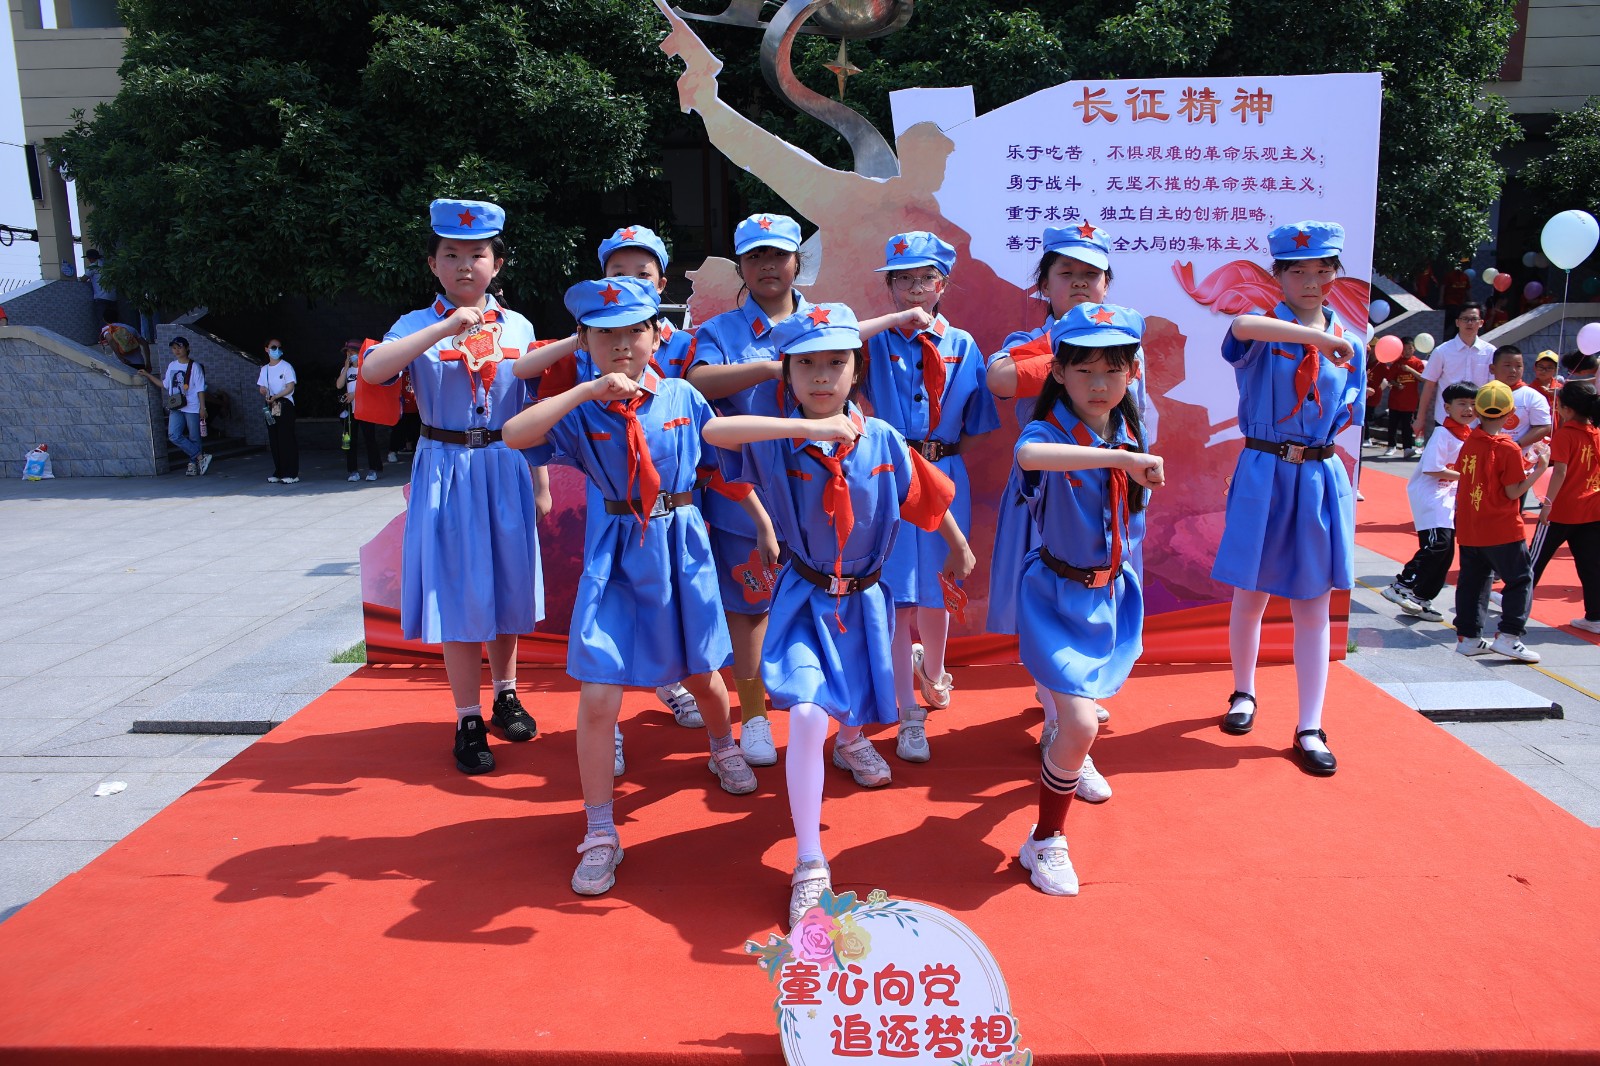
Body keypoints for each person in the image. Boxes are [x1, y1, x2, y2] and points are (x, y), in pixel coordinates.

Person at [701, 302, 974, 928]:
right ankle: (810, 860)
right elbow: (715, 435)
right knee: (804, 713)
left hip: (867, 602)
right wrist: (806, 427)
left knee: (850, 706)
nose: (821, 376)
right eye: (806, 365)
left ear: (857, 369)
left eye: (835, 362)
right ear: (787, 375)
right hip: (804, 598)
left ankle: (851, 742)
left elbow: (925, 499)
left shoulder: (883, 439)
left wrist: (958, 546)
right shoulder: (778, 438)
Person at [502, 276, 768, 895]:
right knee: (599, 696)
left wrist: (762, 523)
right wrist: (585, 389)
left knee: (703, 676)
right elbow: (515, 436)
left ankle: (723, 745)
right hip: (616, 559)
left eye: (633, 331)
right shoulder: (580, 407)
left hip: (682, 550)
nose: (621, 344)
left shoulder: (682, 395)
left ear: (655, 334)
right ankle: (600, 830)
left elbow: (721, 468)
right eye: (604, 334)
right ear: (585, 341)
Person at [684, 213, 928, 773]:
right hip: (748, 490)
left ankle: (848, 731)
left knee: (839, 609)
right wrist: (779, 366)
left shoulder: (825, 318)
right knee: (750, 606)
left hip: (826, 495)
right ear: (741, 267)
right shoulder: (723, 331)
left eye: (778, 255)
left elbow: (853, 353)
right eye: (755, 257)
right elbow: (698, 383)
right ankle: (754, 715)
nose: (768, 266)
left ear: (798, 261)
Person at [360, 198, 545, 775]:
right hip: (446, 468)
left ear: (498, 264)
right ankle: (467, 716)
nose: (465, 265)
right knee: (461, 593)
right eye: (452, 254)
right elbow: (373, 371)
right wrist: (445, 327)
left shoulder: (519, 327)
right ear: (433, 264)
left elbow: (531, 408)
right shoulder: (415, 324)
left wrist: (541, 481)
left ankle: (506, 695)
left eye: (478, 254)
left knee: (508, 585)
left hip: (505, 465)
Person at [513, 225, 709, 758]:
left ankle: (673, 683)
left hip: (673, 504)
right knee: (612, 605)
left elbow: (704, 427)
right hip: (614, 503)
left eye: (641, 274)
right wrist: (586, 350)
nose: (629, 282)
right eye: (617, 273)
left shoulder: (681, 349)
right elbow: (527, 399)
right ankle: (609, 724)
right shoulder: (588, 346)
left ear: (661, 285)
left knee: (675, 602)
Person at [1012, 303, 1163, 896]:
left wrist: (1128, 457)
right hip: (1053, 599)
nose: (1099, 384)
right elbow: (1031, 458)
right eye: (1085, 371)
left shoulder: (1128, 430)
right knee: (1079, 721)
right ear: (1058, 372)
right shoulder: (1048, 433)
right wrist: (1119, 458)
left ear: (1132, 372)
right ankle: (1047, 839)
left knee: (1078, 727)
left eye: (1113, 370)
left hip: (1111, 599)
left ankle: (1066, 771)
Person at [985, 223, 1146, 744]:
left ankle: (1075, 696)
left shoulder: (1125, 342)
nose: (1079, 282)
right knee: (1050, 598)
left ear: (1107, 283)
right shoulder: (1024, 344)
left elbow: (1139, 416)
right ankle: (1060, 716)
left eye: (1091, 274)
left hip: (1110, 496)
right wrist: (1064, 341)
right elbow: (1001, 379)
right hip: (1050, 495)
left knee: (1099, 596)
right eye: (1066, 272)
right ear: (1043, 284)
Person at [1214, 221, 1364, 777]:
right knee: (1250, 591)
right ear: (1277, 275)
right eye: (1297, 271)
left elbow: (1350, 414)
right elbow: (1240, 326)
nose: (1311, 281)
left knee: (1313, 603)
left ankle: (1310, 726)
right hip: (1263, 470)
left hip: (1318, 476)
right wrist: (1318, 341)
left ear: (1335, 274)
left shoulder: (1351, 340)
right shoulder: (1265, 328)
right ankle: (1243, 692)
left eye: (1322, 270)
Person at [861, 231, 998, 761]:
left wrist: (940, 455)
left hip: (945, 472)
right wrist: (894, 321)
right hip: (889, 473)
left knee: (940, 586)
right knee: (897, 595)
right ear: (890, 287)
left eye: (926, 278)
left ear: (943, 284)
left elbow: (978, 422)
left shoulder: (963, 345)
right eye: (903, 279)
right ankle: (906, 712)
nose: (915, 288)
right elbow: (832, 339)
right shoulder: (876, 342)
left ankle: (935, 671)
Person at [1452, 380, 1548, 662]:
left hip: (1471, 525)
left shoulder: (1471, 441)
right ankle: (1509, 636)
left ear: (1477, 412)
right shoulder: (1508, 447)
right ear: (1511, 414)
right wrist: (1540, 467)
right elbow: (1513, 492)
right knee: (1520, 579)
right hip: (1502, 527)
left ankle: (1469, 638)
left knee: (1473, 581)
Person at [1382, 381, 1477, 621]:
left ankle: (1421, 597)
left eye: (1473, 404)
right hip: (1432, 497)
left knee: (1445, 553)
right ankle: (1401, 585)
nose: (1468, 409)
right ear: (1447, 407)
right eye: (1462, 404)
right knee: (1437, 546)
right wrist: (1469, 477)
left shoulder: (1467, 434)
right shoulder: (1443, 434)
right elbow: (1433, 468)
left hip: (1447, 499)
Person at [1532, 381, 1600, 634]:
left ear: (1567, 409)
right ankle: (1595, 616)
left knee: (1535, 558)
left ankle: (1512, 599)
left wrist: (1546, 505)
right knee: (1591, 566)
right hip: (1591, 509)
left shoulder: (1566, 434)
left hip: (1562, 509)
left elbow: (1559, 471)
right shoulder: (1596, 432)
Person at [1414, 303, 1494, 440]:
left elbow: (1492, 388)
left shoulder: (1491, 352)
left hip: (1478, 420)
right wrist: (1420, 418)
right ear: (1457, 322)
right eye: (1465, 319)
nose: (1469, 323)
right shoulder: (1442, 351)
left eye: (1474, 319)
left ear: (1481, 323)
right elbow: (1429, 385)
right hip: (1446, 419)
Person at [142, 336, 211, 476]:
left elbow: (200, 389)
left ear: (187, 348)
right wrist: (148, 375)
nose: (176, 350)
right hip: (176, 406)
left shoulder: (195, 366)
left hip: (192, 406)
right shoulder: (172, 365)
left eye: (179, 347)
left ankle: (193, 465)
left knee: (194, 437)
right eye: (174, 348)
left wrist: (202, 408)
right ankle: (200, 457)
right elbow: (165, 384)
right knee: (173, 435)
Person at [336, 339, 383, 482]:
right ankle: (353, 471)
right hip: (351, 410)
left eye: (352, 352)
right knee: (350, 440)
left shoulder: (366, 368)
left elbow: (370, 388)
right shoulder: (347, 370)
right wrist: (345, 368)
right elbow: (339, 385)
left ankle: (373, 469)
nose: (350, 355)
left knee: (369, 439)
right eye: (348, 353)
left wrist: (354, 395)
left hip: (365, 409)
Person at [258, 338, 300, 484]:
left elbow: (290, 387)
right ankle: (279, 471)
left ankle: (291, 473)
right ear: (266, 349)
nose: (276, 350)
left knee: (286, 438)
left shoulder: (286, 366)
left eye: (279, 347)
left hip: (284, 403)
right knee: (274, 439)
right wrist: (264, 391)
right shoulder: (264, 369)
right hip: (272, 405)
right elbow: (262, 387)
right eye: (273, 347)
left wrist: (276, 396)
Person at [1380, 337, 1424, 457]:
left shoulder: (1417, 362)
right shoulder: (1397, 362)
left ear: (1414, 349)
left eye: (1410, 348)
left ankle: (1407, 448)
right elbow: (1389, 379)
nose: (1407, 351)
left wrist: (1409, 369)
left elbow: (1422, 378)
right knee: (1392, 425)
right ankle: (1391, 446)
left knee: (1407, 427)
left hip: (1409, 402)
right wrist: (1396, 384)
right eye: (1404, 349)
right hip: (1395, 400)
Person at [1531, 351, 1564, 426]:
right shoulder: (1529, 390)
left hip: (1557, 431)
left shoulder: (1561, 389)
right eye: (1540, 367)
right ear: (1534, 368)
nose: (1544, 370)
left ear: (1556, 370)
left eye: (1549, 368)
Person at [84, 249, 118, 321]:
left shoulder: (93, 266)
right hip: (113, 298)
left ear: (90, 258)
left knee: (102, 321)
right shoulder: (107, 265)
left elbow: (84, 278)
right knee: (113, 322)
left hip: (101, 299)